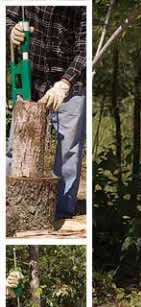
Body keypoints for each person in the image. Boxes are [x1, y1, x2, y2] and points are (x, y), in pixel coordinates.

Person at [6, 7, 87, 219]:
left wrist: (65, 83)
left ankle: (60, 212)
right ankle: (9, 209)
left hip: (70, 83)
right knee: (16, 147)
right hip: (29, 80)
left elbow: (85, 50)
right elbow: (7, 16)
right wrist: (9, 30)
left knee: (69, 152)